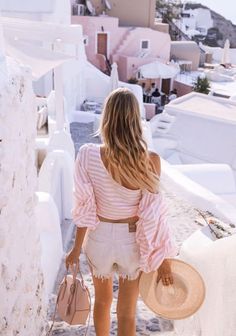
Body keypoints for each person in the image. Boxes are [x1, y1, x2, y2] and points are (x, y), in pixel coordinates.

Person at [66, 88, 176, 336]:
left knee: (102, 303)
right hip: (132, 240)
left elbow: (86, 208)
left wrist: (75, 248)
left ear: (107, 118)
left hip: (99, 238)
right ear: (135, 119)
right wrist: (163, 260)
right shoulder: (150, 160)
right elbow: (153, 217)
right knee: (126, 311)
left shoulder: (87, 155)